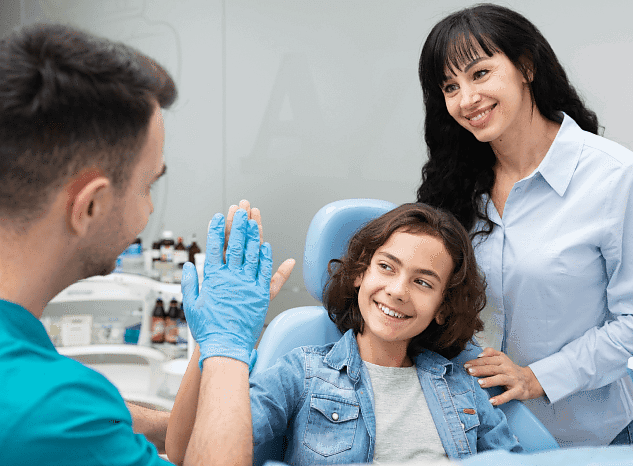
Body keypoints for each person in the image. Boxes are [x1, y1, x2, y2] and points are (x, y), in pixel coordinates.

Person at [0, 22, 293, 466]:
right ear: (91, 205)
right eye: (146, 188)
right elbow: (61, 416)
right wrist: (229, 344)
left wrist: (164, 413)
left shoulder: (47, 392)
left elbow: (99, 422)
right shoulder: (48, 406)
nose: (148, 213)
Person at [415, 3, 633, 447]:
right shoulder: (454, 187)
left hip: (591, 438)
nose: (466, 99)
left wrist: (537, 378)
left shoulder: (615, 177)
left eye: (479, 74)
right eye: (450, 87)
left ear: (526, 67)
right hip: (479, 434)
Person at [166, 203, 524, 465]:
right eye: (386, 267)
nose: (398, 291)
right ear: (359, 274)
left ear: (443, 306)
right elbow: (189, 454)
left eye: (422, 282)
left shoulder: (461, 383)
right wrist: (217, 339)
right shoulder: (303, 374)